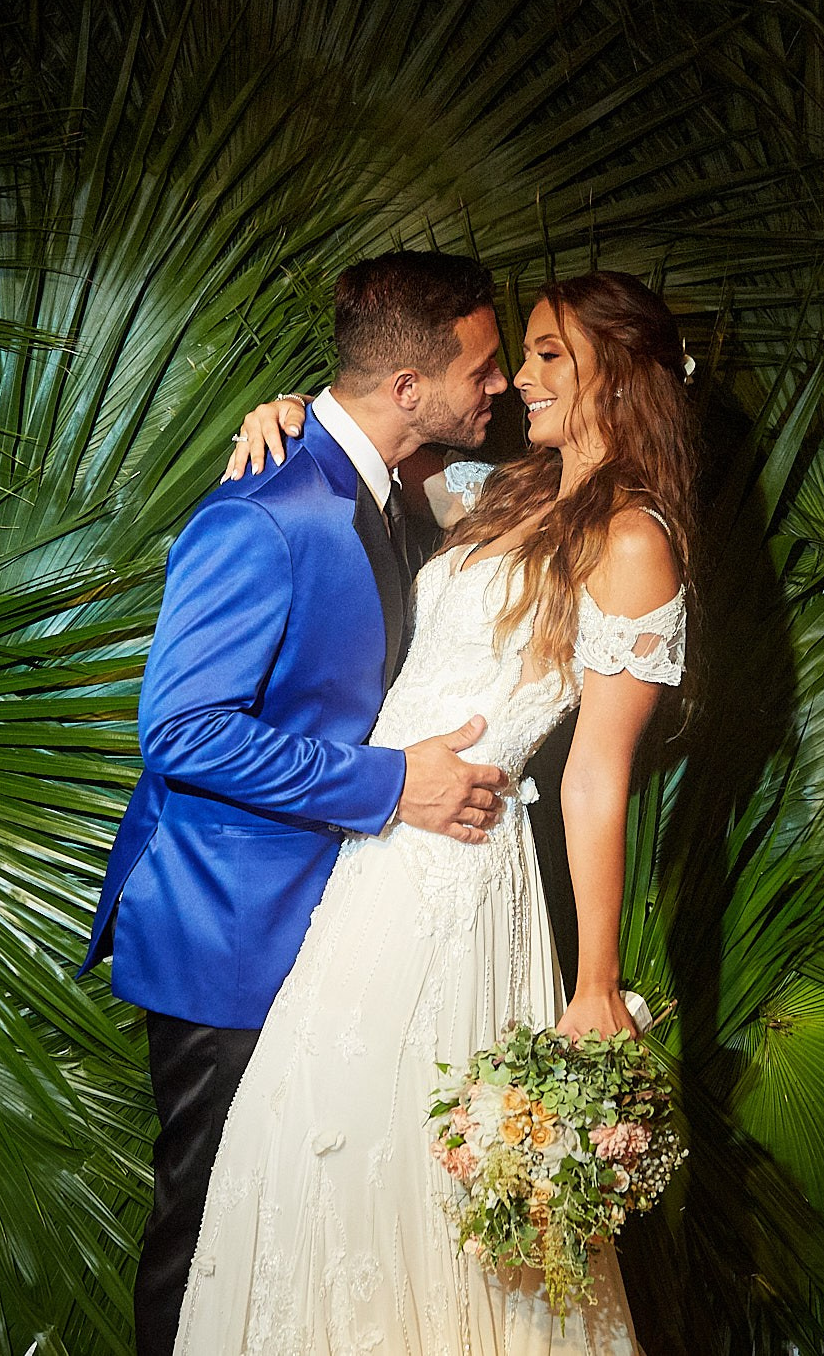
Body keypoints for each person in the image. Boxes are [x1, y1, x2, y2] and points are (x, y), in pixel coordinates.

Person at [175, 270, 693, 1354]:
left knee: (426, 1185)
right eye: (515, 358)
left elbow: (598, 774)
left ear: (622, 375)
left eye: (549, 356)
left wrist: (595, 985)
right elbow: (354, 458)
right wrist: (281, 412)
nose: (517, 384)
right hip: (367, 868)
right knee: (315, 1151)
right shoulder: (491, 491)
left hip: (461, 867)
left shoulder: (632, 540)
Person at [78, 251, 518, 1356]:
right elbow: (180, 732)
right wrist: (390, 784)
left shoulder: (390, 483)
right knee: (210, 1235)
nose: (501, 385)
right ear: (409, 387)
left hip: (333, 927)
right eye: (485, 364)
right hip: (229, 929)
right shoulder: (268, 510)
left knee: (291, 1236)